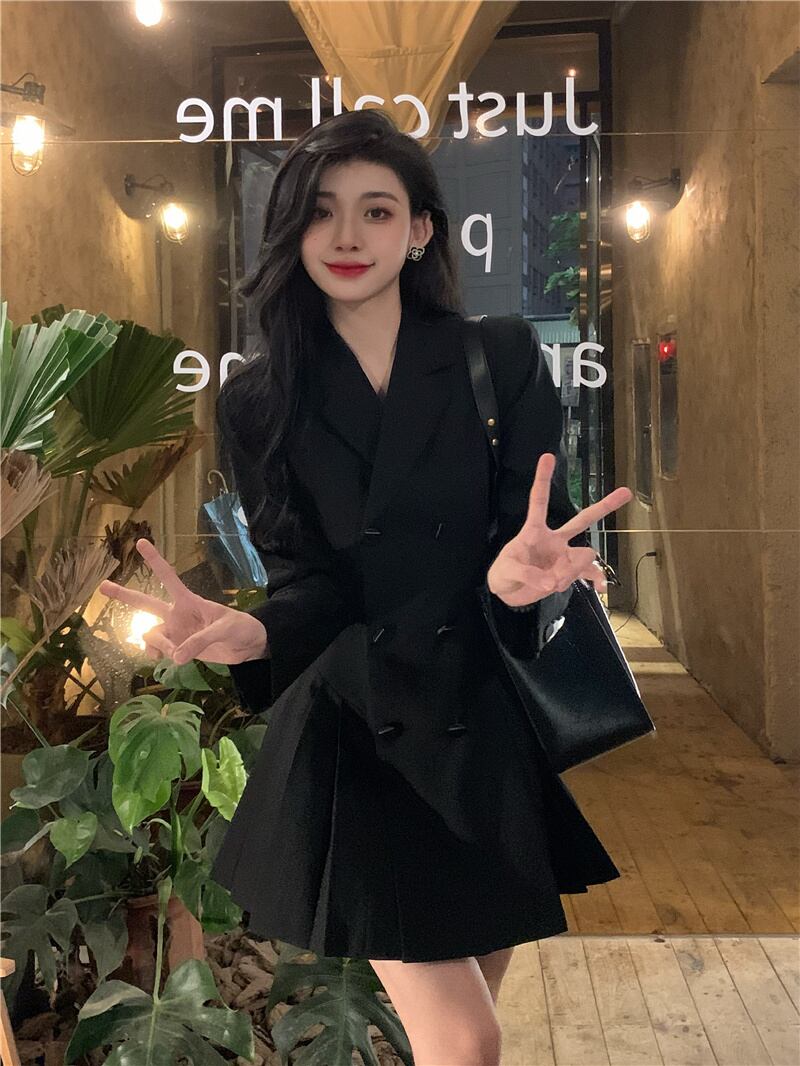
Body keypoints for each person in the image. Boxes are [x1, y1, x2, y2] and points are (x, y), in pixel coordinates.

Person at [99, 109, 633, 1066]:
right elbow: (311, 579)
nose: (347, 235)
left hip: (479, 726)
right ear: (291, 230)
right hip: (360, 729)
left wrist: (518, 579)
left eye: (376, 211)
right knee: (466, 1040)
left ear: (420, 229)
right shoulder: (261, 397)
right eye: (321, 211)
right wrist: (257, 631)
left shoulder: (499, 356)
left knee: (471, 1015)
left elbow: (532, 532)